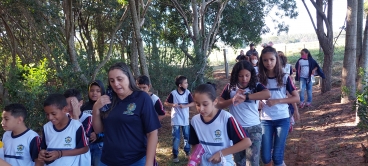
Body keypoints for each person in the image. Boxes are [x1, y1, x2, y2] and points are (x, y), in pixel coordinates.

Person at [92, 62, 161, 166]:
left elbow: (152, 133)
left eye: (120, 79)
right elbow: (98, 130)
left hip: (135, 160)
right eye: (112, 80)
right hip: (107, 160)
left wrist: (149, 163)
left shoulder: (142, 98)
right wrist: (96, 108)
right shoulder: (108, 100)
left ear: (129, 78)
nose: (115, 83)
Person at [217, 61, 270, 166]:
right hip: (236, 129)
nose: (244, 79)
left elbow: (267, 94)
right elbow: (219, 104)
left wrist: (246, 97)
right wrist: (232, 100)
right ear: (236, 75)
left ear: (251, 74)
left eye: (247, 75)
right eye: (241, 76)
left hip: (254, 128)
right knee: (239, 162)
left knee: (252, 162)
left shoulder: (255, 86)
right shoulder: (230, 87)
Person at [189, 83, 252, 165]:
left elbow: (247, 142)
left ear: (215, 101)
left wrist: (221, 154)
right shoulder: (195, 121)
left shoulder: (226, 118)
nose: (201, 108)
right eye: (197, 104)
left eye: (205, 104)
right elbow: (195, 143)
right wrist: (194, 158)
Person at [258, 46, 300, 166]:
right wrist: (258, 102)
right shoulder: (259, 79)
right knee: (265, 157)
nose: (268, 63)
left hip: (282, 119)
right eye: (265, 60)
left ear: (276, 59)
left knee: (277, 156)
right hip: (265, 120)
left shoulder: (285, 77)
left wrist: (278, 101)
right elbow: (253, 96)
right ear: (262, 61)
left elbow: (296, 97)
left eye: (271, 59)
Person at [36, 94, 90, 166]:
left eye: (53, 113)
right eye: (47, 114)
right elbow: (43, 148)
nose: (50, 117)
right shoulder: (46, 127)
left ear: (65, 110)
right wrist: (42, 153)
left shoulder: (76, 126)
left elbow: (84, 149)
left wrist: (60, 153)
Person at [164, 75, 195, 162]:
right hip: (176, 119)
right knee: (176, 137)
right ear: (180, 85)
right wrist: (172, 104)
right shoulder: (173, 93)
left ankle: (187, 152)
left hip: (185, 119)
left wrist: (185, 106)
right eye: (185, 83)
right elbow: (166, 103)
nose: (187, 84)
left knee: (187, 136)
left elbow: (193, 103)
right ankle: (175, 155)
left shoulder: (188, 92)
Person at [81, 80, 106, 166]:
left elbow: (109, 126)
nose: (94, 93)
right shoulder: (84, 107)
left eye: (98, 91)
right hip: (85, 146)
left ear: (102, 92)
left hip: (100, 145)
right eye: (92, 90)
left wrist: (98, 134)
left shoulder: (106, 107)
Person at [278, 51, 300, 132]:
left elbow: (293, 97)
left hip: (284, 113)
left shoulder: (285, 78)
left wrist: (296, 111)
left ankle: (289, 123)